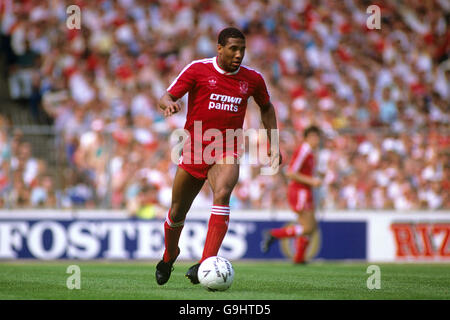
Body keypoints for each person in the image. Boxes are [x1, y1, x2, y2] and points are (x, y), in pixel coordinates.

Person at [155, 27, 281, 285]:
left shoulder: (253, 79)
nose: (238, 54)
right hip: (195, 146)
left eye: (242, 49)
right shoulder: (198, 69)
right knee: (177, 211)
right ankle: (170, 254)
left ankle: (205, 264)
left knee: (223, 194)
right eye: (233, 49)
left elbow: (266, 107)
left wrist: (273, 142)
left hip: (229, 147)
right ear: (219, 48)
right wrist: (169, 104)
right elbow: (166, 96)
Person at [261, 125, 322, 264]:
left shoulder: (310, 152)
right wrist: (312, 181)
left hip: (305, 191)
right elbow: (291, 172)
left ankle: (299, 258)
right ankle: (274, 234)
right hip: (300, 191)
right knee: (307, 227)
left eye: (318, 137)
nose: (317, 140)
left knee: (311, 226)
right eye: (314, 136)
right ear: (307, 138)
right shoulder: (304, 150)